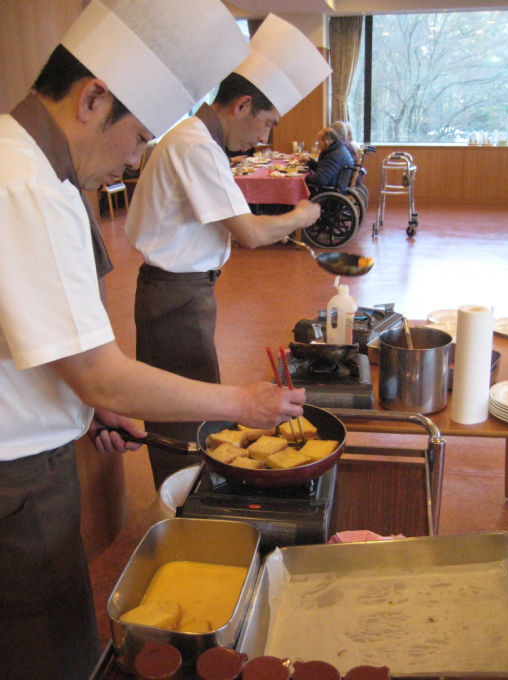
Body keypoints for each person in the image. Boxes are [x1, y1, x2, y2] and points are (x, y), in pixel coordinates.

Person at [0, 3, 306, 679]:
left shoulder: (17, 159)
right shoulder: (27, 186)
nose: (137, 156)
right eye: (137, 135)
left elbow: (44, 345)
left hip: (27, 453)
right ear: (93, 98)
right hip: (17, 480)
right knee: (51, 655)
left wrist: (87, 406)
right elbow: (103, 374)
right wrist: (243, 403)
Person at [125, 13, 331, 489]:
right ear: (241, 106)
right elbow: (250, 233)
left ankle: (191, 489)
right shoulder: (194, 144)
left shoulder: (201, 143)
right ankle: (182, 497)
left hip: (184, 293)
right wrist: (301, 215)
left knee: (192, 399)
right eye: (267, 123)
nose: (264, 137)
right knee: (181, 407)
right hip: (174, 296)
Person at [305, 127, 354, 193]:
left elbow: (320, 180)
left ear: (326, 141)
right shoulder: (338, 150)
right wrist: (310, 163)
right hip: (335, 187)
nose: (318, 145)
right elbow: (325, 170)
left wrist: (304, 178)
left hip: (329, 194)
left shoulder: (334, 155)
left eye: (318, 142)